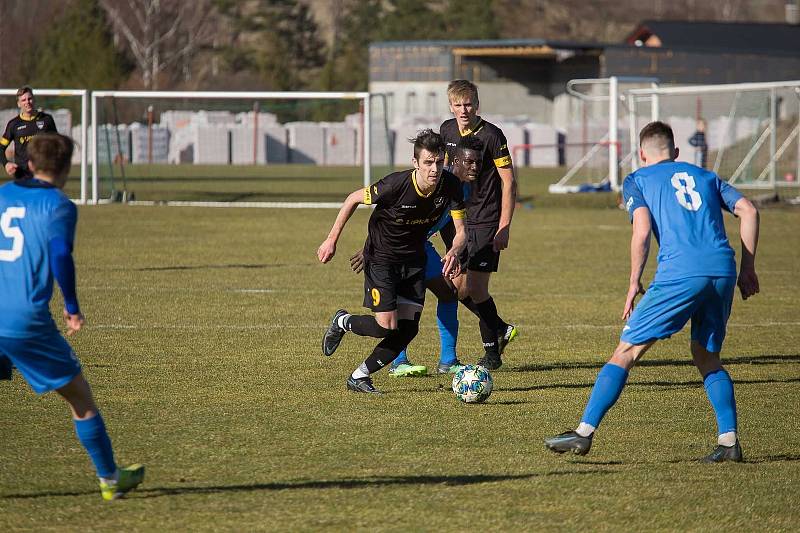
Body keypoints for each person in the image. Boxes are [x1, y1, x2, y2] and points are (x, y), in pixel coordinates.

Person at [544, 121, 760, 462]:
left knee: (626, 351)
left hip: (680, 273)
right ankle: (729, 441)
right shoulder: (705, 176)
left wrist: (634, 282)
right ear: (675, 152)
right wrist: (748, 268)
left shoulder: (638, 179)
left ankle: (583, 433)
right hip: (722, 269)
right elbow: (748, 209)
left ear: (642, 154)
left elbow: (641, 232)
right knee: (706, 356)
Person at [0, 133, 144, 499]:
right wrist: (72, 306)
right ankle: (110, 480)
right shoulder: (59, 205)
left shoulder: (3, 195)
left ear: (29, 164)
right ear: (66, 168)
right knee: (80, 397)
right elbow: (61, 254)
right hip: (23, 320)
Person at [318, 130, 467, 394]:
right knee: (385, 326)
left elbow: (461, 231)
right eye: (428, 163)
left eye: (439, 162)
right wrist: (331, 239)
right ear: (415, 163)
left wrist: (454, 249)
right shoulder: (395, 185)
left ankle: (359, 376)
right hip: (382, 259)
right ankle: (343, 321)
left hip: (414, 261)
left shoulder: (451, 185)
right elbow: (353, 199)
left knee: (407, 330)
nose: (434, 169)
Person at [348, 136, 485, 377]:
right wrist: (369, 246)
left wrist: (453, 252)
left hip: (419, 249)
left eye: (478, 162)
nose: (475, 167)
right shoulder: (424, 182)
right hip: (401, 251)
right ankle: (399, 361)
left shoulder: (456, 188)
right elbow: (394, 218)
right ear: (456, 162)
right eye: (470, 162)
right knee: (393, 320)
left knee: (447, 293)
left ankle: (448, 360)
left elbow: (449, 228)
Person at [439, 79, 518, 370]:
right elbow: (446, 170)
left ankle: (492, 353)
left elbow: (509, 182)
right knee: (454, 287)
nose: (464, 110)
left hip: (486, 219)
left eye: (468, 104)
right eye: (458, 105)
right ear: (451, 105)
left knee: (475, 287)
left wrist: (504, 226)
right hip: (459, 217)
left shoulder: (493, 136)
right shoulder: (446, 130)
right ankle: (500, 328)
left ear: (477, 104)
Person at [1, 86, 59, 180]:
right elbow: (1, 148)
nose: (27, 102)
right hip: (22, 175)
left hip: (43, 175)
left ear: (34, 99)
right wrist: (6, 164)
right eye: (23, 100)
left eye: (29, 98)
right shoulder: (14, 124)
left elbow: (57, 143)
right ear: (19, 104)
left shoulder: (46, 119)